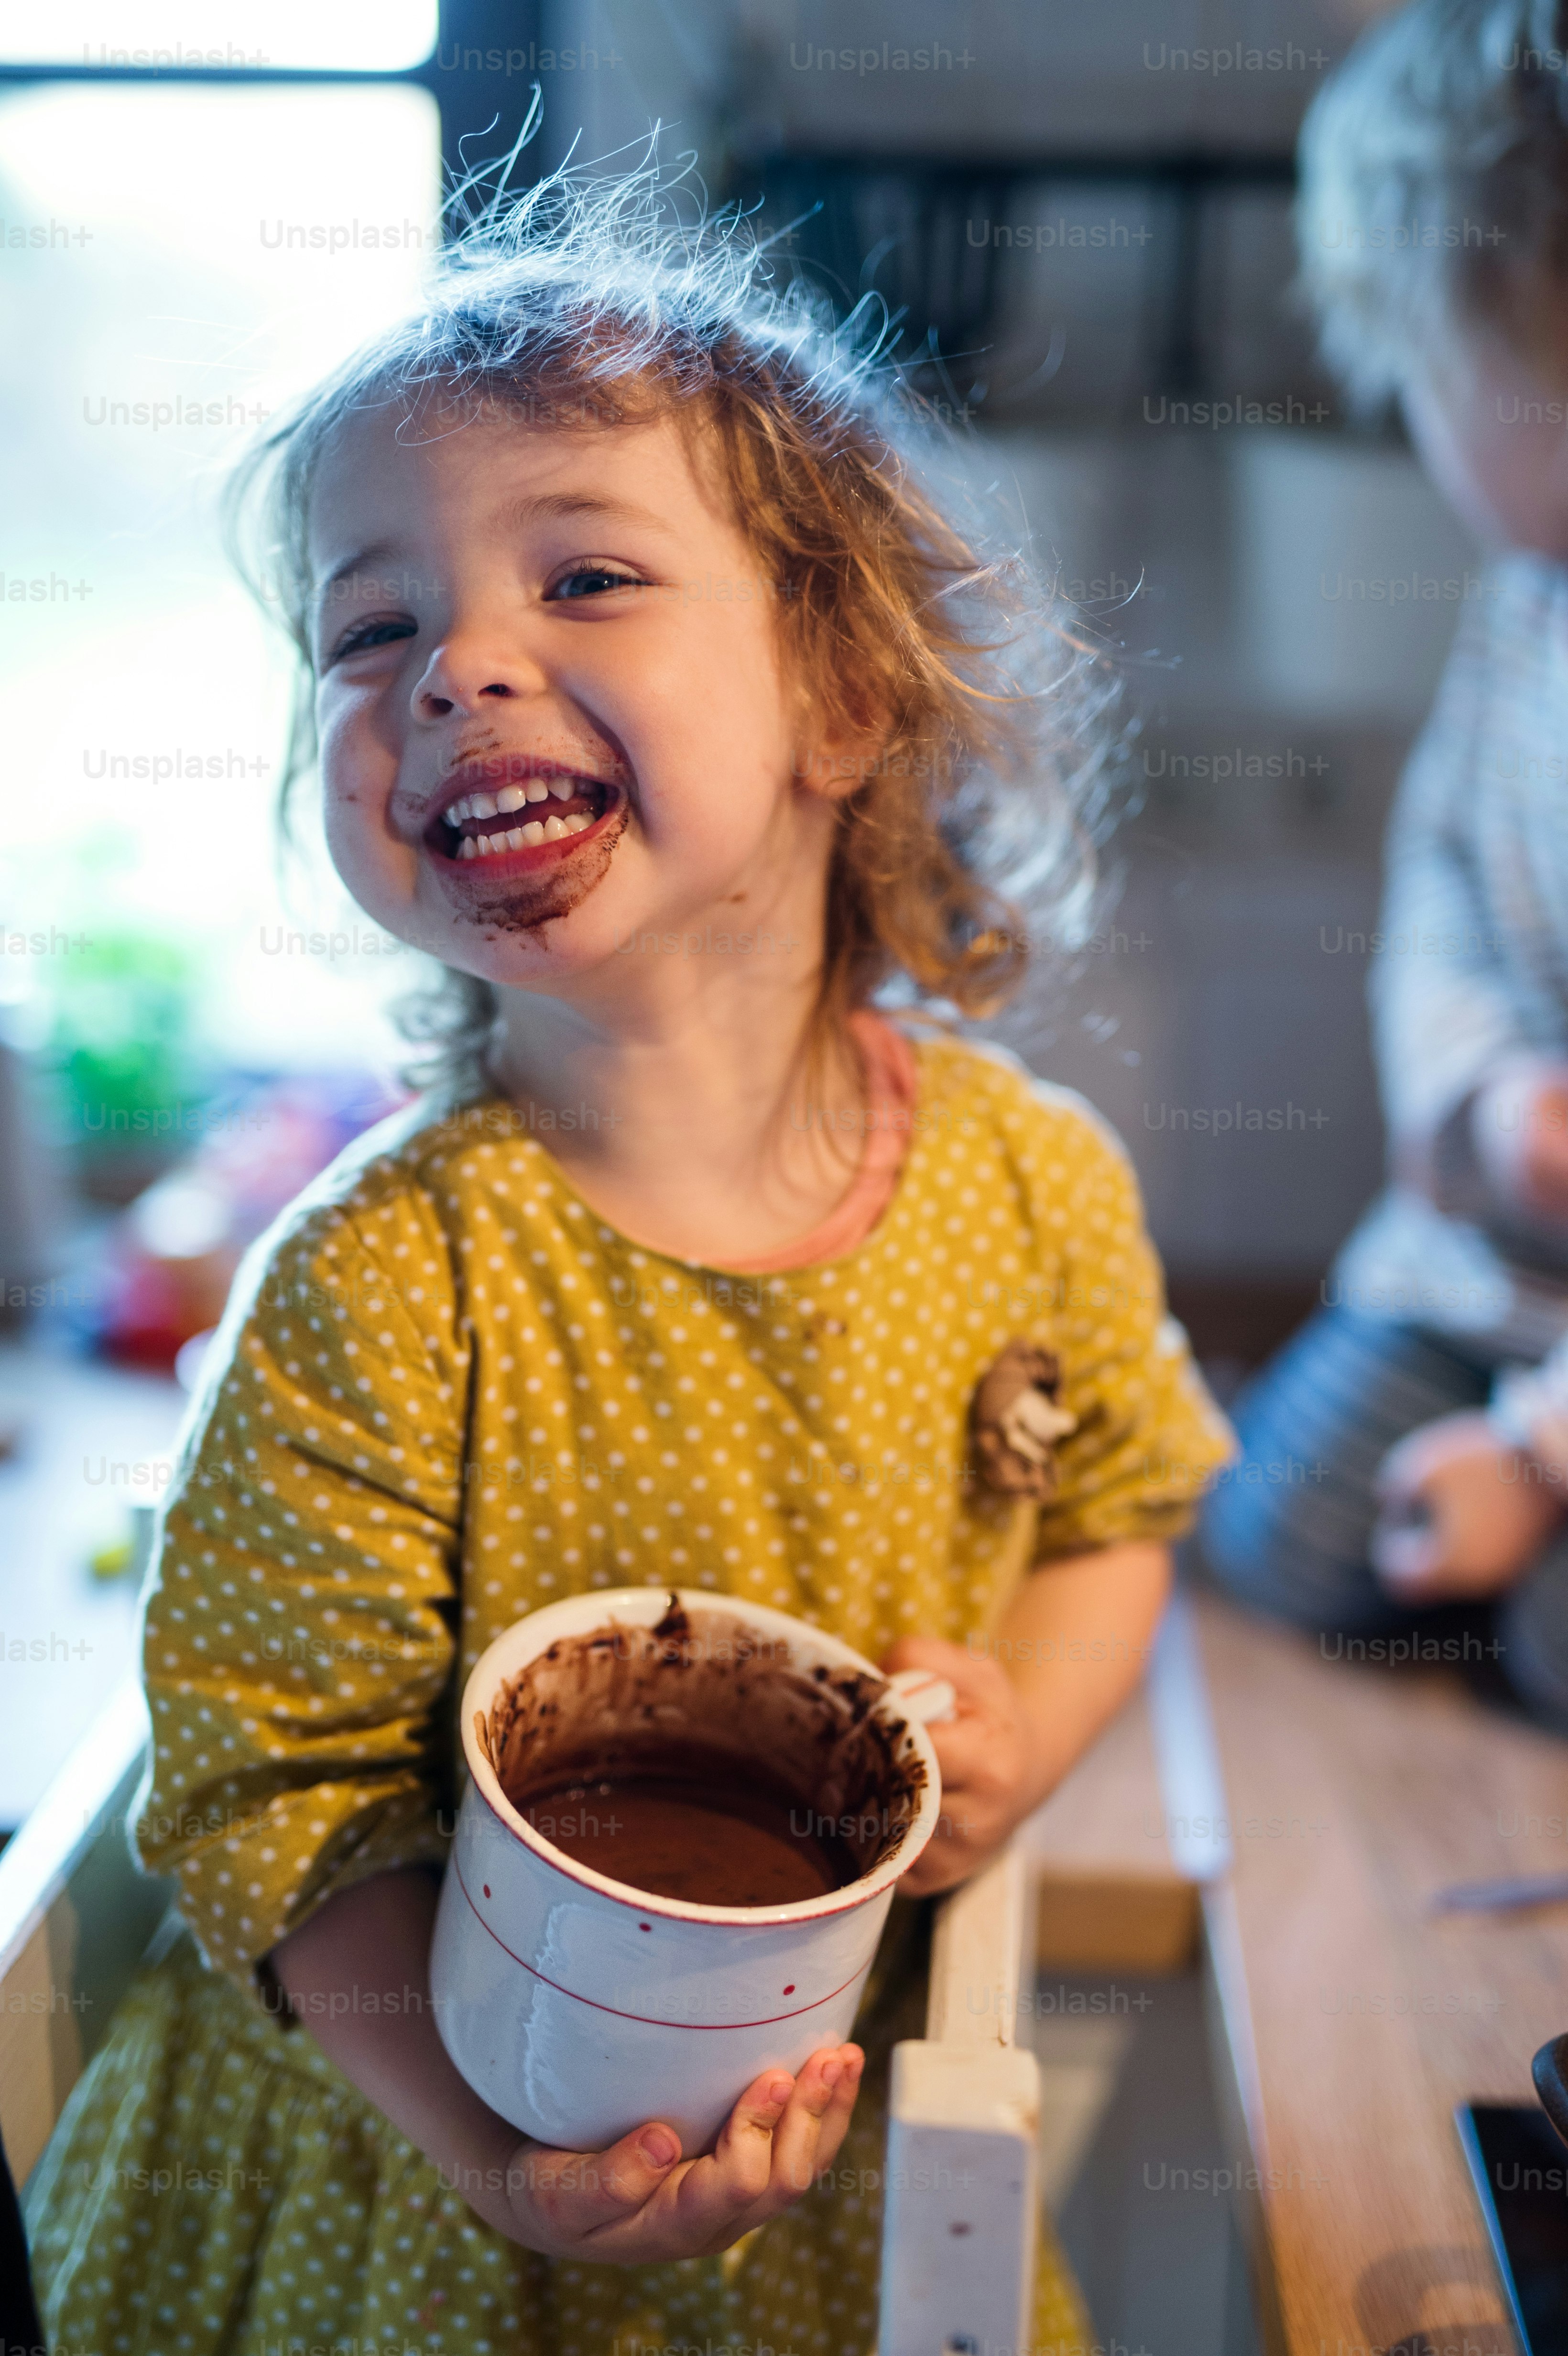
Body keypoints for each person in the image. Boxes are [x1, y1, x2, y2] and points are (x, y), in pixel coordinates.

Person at [25, 161, 1231, 2356]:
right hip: (401, 2197)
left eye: (583, 572)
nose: (459, 663)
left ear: (840, 696)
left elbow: (1121, 1508)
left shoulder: (1031, 1183)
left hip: (825, 2166)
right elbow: (266, 1805)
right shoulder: (380, 1284)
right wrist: (502, 2151)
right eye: (368, 628)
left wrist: (1029, 1721)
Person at [1201, 0, 1568, 1718]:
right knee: (1289, 1523)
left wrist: (1539, 1458)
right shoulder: (1523, 608)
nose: (1415, 421)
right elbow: (1442, 894)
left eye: (1432, 374)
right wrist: (1484, 1099)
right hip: (1487, 1270)